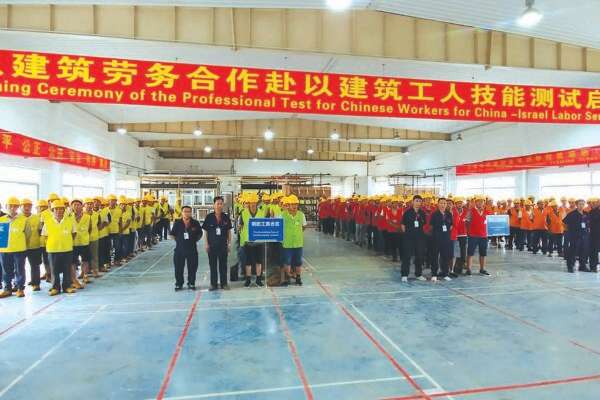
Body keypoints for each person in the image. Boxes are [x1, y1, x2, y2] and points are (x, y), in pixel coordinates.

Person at [42, 200, 77, 296]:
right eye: (56, 209)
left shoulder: (70, 220)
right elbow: (45, 236)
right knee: (54, 270)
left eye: (61, 209)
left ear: (64, 210)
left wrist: (66, 241)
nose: (59, 211)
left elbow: (74, 233)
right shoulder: (47, 221)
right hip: (52, 250)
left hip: (67, 249)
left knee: (67, 269)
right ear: (53, 210)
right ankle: (55, 288)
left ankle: (67, 286)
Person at [0, 197, 30, 298]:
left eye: (15, 206)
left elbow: (28, 234)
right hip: (4, 250)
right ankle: (7, 289)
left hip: (19, 249)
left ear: (18, 207)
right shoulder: (1, 220)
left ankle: (20, 289)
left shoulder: (24, 220)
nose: (13, 208)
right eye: (10, 206)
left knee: (19, 270)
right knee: (6, 270)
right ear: (6, 207)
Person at [202, 196, 233, 291]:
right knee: (213, 265)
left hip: (223, 245)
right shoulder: (209, 217)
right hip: (212, 246)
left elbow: (229, 232)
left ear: (223, 205)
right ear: (214, 205)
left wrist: (229, 244)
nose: (219, 205)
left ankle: (224, 284)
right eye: (218, 203)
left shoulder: (226, 217)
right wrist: (206, 244)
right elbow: (205, 232)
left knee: (223, 265)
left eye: (221, 203)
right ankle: (213, 284)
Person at [170, 205, 202, 290]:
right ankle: (179, 283)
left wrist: (194, 240)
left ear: (191, 213)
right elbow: (172, 234)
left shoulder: (195, 223)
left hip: (192, 249)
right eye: (185, 211)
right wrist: (178, 241)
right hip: (179, 250)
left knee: (192, 267)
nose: (187, 213)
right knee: (178, 268)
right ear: (182, 213)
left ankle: (191, 283)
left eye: (189, 212)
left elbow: (200, 234)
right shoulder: (177, 223)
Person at [238, 193, 267, 287]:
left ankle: (258, 279)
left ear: (257, 203)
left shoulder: (262, 213)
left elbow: (265, 225)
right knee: (248, 262)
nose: (253, 204)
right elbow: (239, 226)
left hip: (259, 242)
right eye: (251, 202)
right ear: (249, 203)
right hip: (248, 242)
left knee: (259, 261)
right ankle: (248, 280)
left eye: (255, 202)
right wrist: (239, 229)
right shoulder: (243, 213)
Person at [281, 195, 307, 286]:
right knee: (287, 261)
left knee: (298, 262)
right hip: (287, 243)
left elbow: (304, 226)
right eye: (292, 204)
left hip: (298, 243)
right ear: (288, 205)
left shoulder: (301, 215)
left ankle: (298, 278)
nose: (294, 206)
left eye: (296, 204)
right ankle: (287, 277)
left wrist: (297, 233)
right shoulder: (282, 215)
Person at [400, 195, 427, 282]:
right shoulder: (407, 212)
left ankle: (418, 274)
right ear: (413, 202)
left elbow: (424, 224)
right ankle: (404, 274)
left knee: (419, 256)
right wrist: (407, 234)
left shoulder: (422, 213)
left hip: (419, 238)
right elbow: (403, 225)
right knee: (407, 256)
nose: (418, 203)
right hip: (409, 238)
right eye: (416, 201)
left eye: (420, 201)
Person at [465, 195, 491, 276]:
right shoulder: (470, 211)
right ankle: (469, 269)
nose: (480, 203)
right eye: (478, 201)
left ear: (484, 203)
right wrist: (469, 232)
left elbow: (490, 222)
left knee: (483, 253)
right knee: (470, 253)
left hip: (484, 236)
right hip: (473, 235)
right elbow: (466, 222)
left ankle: (482, 269)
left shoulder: (487, 211)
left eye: (482, 201)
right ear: (475, 202)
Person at [563, 199, 591, 273]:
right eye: (580, 204)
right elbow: (564, 222)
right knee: (573, 251)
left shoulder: (586, 213)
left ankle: (582, 266)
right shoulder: (572, 214)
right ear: (576, 205)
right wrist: (570, 231)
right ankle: (570, 266)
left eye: (583, 204)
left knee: (583, 251)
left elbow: (588, 223)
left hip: (584, 235)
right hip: (575, 236)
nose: (581, 206)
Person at [429, 197, 454, 281]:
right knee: (435, 256)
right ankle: (434, 274)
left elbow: (451, 225)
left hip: (446, 238)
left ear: (446, 205)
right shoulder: (434, 214)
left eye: (444, 203)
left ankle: (445, 273)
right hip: (436, 238)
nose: (443, 205)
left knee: (445, 256)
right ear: (438, 204)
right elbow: (431, 226)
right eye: (441, 203)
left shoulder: (449, 214)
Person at [22, 198, 43, 291]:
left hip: (34, 246)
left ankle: (36, 283)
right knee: (19, 267)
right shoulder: (18, 218)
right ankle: (18, 285)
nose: (27, 208)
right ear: (21, 207)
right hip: (20, 247)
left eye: (29, 206)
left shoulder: (36, 218)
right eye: (24, 206)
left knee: (35, 266)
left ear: (31, 207)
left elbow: (40, 231)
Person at [71, 199, 91, 288]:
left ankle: (85, 275)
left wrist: (85, 235)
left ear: (82, 206)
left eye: (78, 204)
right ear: (72, 206)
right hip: (73, 243)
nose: (76, 206)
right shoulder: (69, 217)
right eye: (74, 205)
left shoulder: (87, 217)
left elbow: (90, 228)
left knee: (85, 260)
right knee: (73, 262)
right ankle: (73, 278)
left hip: (84, 242)